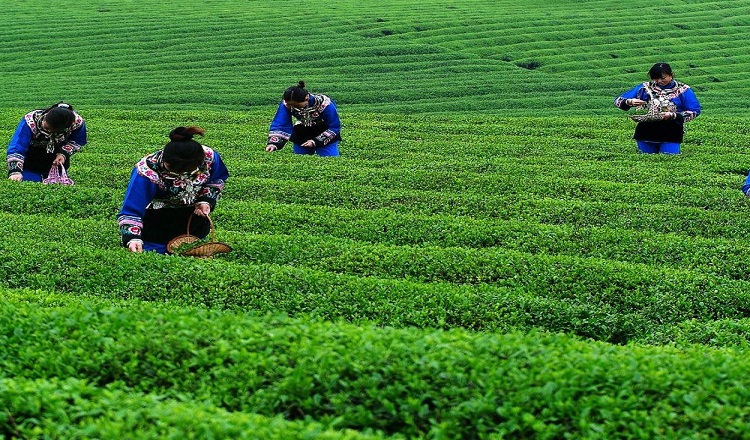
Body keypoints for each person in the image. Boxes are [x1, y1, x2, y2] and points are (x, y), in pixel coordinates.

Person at [117, 126, 230, 254]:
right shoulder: (147, 171)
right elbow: (132, 208)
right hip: (158, 225)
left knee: (195, 252)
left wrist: (205, 200)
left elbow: (217, 179)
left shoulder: (209, 158)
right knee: (158, 253)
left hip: (192, 222)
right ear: (165, 160)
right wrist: (132, 238)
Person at [614, 62, 701, 155]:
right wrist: (629, 102)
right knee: (646, 161)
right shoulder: (645, 88)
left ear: (671, 75)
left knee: (670, 159)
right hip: (646, 131)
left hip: (671, 131)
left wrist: (673, 115)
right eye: (655, 78)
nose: (659, 81)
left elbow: (695, 111)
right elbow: (618, 101)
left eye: (663, 78)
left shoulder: (683, 90)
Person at [6, 102, 87, 181]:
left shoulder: (76, 123)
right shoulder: (31, 120)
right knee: (28, 179)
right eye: (44, 122)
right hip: (32, 156)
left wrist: (63, 154)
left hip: (56, 157)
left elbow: (77, 141)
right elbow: (18, 145)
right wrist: (15, 171)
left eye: (48, 128)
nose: (43, 125)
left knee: (56, 182)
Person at [265, 81, 342, 157]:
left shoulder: (325, 104)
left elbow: (334, 126)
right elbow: (281, 123)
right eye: (291, 105)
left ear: (307, 97)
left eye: (297, 105)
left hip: (324, 131)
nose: (293, 107)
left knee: (329, 159)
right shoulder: (287, 104)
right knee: (301, 160)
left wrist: (315, 142)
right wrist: (273, 143)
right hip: (302, 132)